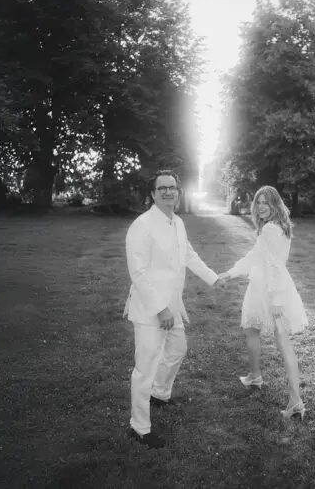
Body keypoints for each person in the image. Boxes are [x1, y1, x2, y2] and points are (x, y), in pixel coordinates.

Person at [123, 170, 221, 449]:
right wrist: (160, 309)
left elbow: (188, 255)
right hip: (150, 310)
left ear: (178, 192)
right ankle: (139, 427)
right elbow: (138, 274)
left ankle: (160, 393)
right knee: (145, 368)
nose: (168, 192)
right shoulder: (141, 226)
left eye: (173, 187)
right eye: (162, 188)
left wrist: (214, 278)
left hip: (173, 306)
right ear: (152, 194)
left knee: (177, 350)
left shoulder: (177, 222)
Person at [218, 185, 309, 419]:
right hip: (264, 285)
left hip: (271, 290)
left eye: (266, 203)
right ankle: (255, 376)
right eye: (258, 202)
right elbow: (255, 257)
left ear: (275, 204)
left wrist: (277, 299)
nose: (261, 207)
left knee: (282, 342)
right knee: (251, 328)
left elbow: (275, 265)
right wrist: (230, 273)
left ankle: (296, 401)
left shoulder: (270, 229)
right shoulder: (277, 226)